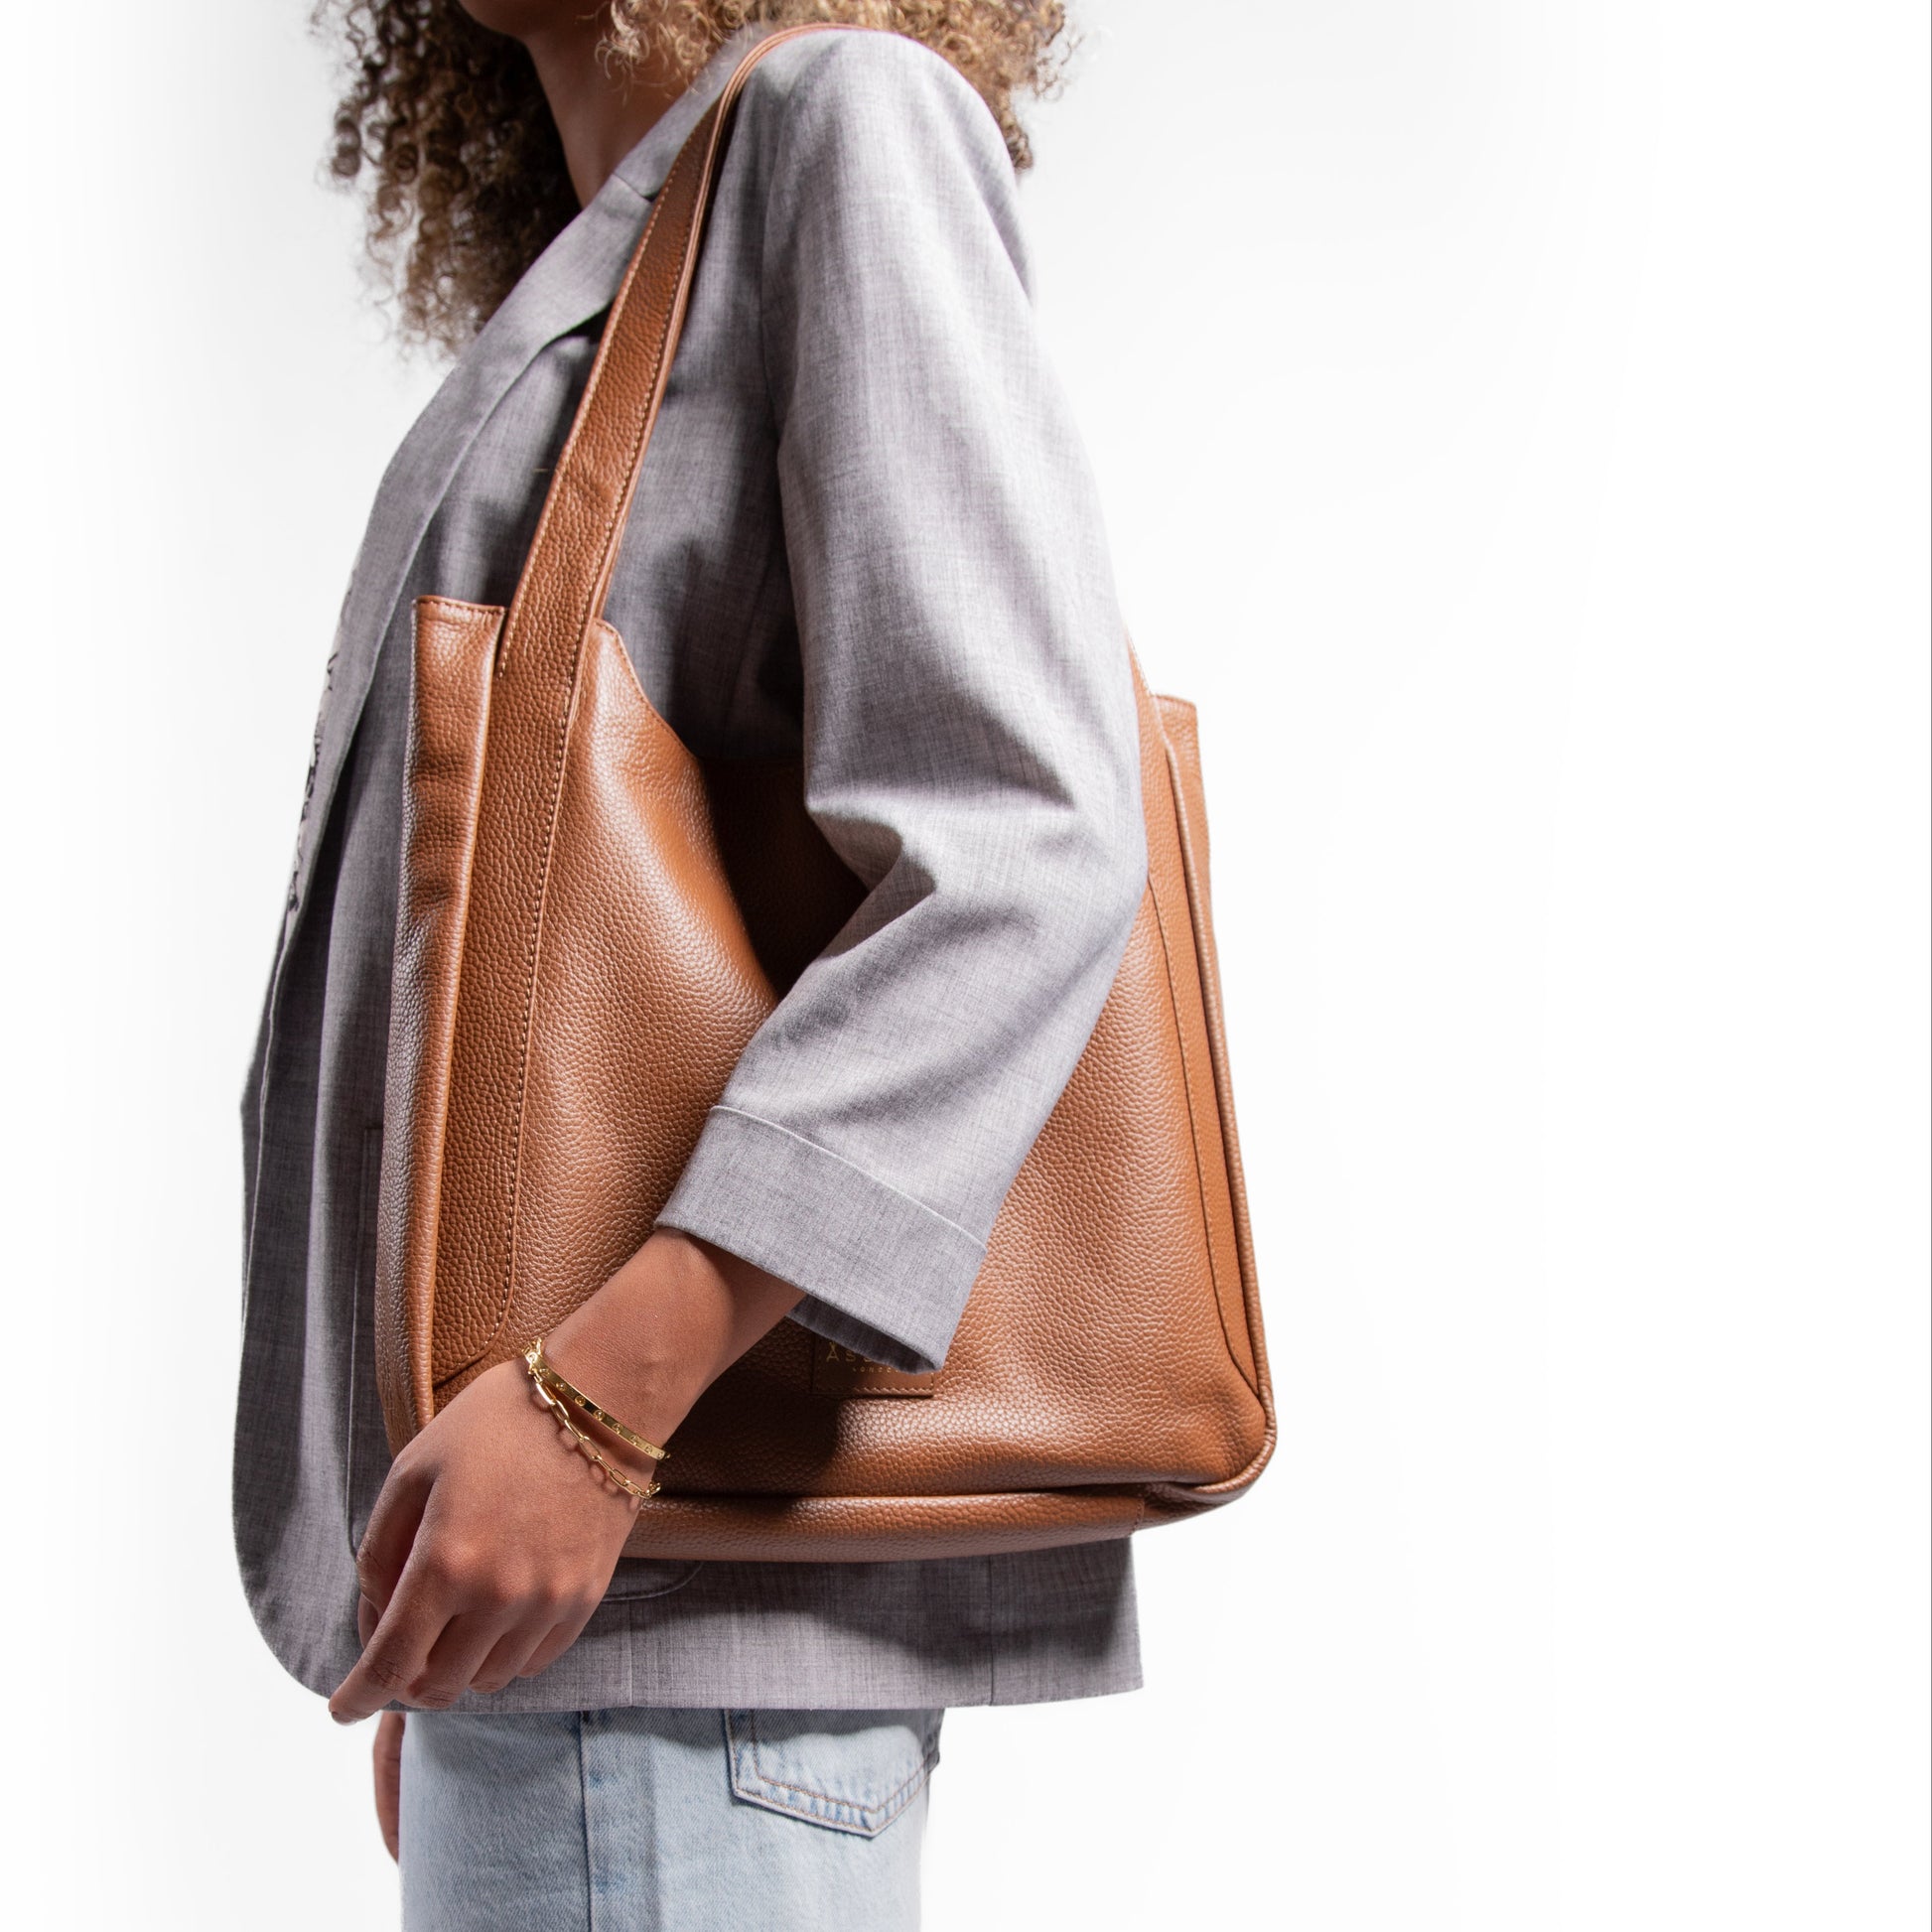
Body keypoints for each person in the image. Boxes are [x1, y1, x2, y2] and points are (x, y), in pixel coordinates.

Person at [235, 3, 1147, 1923]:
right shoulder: (654, 228)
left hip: (664, 1624)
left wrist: (593, 1411)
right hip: (604, 1633)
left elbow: (1025, 842)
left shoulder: (845, 119)